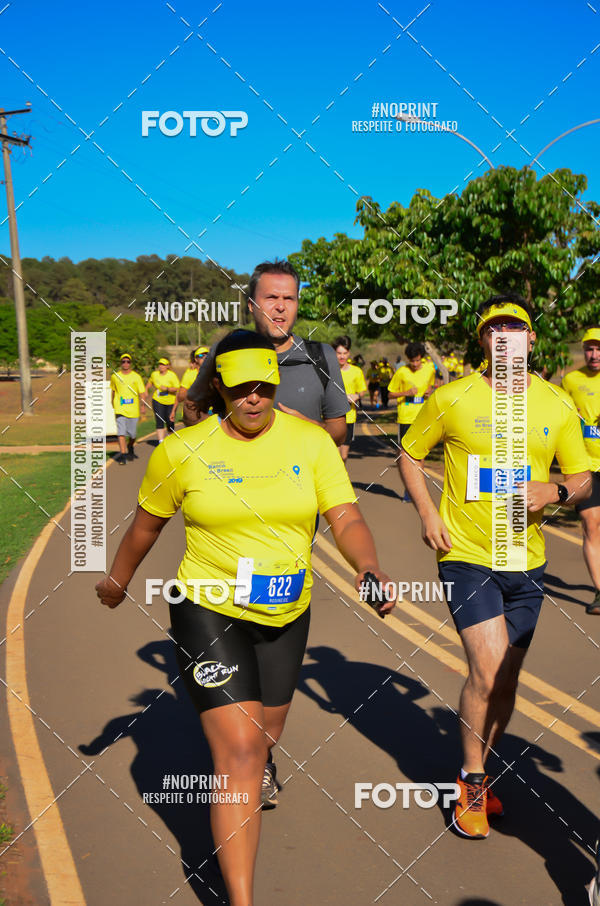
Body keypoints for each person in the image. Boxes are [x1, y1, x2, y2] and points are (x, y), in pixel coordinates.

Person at [95, 329, 393, 906]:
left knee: (266, 736)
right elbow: (146, 525)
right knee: (239, 754)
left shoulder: (310, 444)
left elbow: (346, 516)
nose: (253, 398)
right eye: (240, 388)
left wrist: (369, 565)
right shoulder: (183, 450)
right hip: (206, 607)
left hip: (286, 609)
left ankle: (257, 764)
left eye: (264, 386)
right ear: (220, 388)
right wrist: (117, 580)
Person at [399, 294, 591, 840]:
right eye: (494, 329)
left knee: (507, 679)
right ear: (482, 341)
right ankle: (472, 780)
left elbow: (582, 478)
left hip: (526, 559)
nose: (505, 337)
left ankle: (481, 765)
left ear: (532, 340)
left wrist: (552, 488)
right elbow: (409, 453)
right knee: (486, 669)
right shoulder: (452, 397)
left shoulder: (556, 404)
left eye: (517, 329)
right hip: (467, 554)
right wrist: (427, 511)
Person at [183, 260, 348, 446]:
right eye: (271, 297)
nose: (280, 306)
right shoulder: (225, 352)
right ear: (251, 305)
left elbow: (339, 434)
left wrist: (307, 427)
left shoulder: (322, 355)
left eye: (289, 298)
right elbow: (191, 417)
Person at [562, 327, 600, 615]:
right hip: (584, 466)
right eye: (589, 348)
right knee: (591, 525)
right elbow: (561, 414)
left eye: (599, 348)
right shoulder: (571, 380)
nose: (594, 354)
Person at [388, 342, 436, 502]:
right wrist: (406, 392)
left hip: (423, 417)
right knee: (406, 455)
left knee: (420, 456)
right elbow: (390, 394)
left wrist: (431, 390)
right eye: (412, 361)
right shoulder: (402, 372)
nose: (415, 364)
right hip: (405, 418)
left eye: (417, 360)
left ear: (422, 357)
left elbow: (432, 384)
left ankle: (416, 490)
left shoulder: (429, 368)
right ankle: (408, 488)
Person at [333, 335, 367, 463]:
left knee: (343, 456)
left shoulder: (356, 371)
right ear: (334, 353)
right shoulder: (329, 370)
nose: (342, 356)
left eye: (345, 353)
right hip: (331, 416)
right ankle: (335, 482)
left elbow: (362, 390)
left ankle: (339, 478)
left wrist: (356, 396)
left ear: (349, 353)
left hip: (349, 416)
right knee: (334, 455)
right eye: (339, 353)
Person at [110, 353, 147, 465]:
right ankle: (123, 455)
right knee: (121, 432)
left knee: (132, 434)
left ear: (130, 363)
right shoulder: (115, 376)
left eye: (128, 361)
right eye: (123, 361)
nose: (125, 363)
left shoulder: (136, 377)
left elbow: (142, 393)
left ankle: (130, 445)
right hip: (120, 408)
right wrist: (112, 402)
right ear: (120, 363)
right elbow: (113, 390)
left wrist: (143, 405)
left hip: (133, 410)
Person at [146, 357, 180, 442]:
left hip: (170, 401)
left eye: (163, 364)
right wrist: (146, 389)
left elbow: (177, 388)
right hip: (157, 400)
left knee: (170, 421)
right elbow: (150, 382)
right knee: (159, 420)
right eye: (160, 364)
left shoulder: (172, 375)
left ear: (167, 366)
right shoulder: (154, 374)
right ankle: (160, 442)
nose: (161, 366)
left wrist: (167, 389)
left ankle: (170, 439)